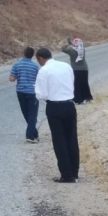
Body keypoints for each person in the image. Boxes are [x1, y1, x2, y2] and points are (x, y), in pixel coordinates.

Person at [34, 47, 79, 183]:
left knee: (59, 141)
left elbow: (41, 94)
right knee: (71, 139)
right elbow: (72, 83)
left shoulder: (44, 70)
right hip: (70, 105)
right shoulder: (66, 66)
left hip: (54, 106)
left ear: (41, 59)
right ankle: (74, 171)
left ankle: (66, 174)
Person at [9, 46, 40, 143]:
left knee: (26, 113)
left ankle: (33, 134)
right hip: (32, 92)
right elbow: (39, 79)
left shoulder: (16, 65)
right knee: (32, 114)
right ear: (32, 55)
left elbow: (11, 79)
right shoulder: (35, 66)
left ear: (24, 53)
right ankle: (31, 135)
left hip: (21, 92)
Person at [61, 37, 92, 104]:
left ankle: (79, 100)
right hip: (84, 69)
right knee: (84, 83)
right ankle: (87, 97)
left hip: (76, 69)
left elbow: (63, 49)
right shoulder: (82, 49)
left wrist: (69, 44)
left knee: (77, 84)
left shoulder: (71, 50)